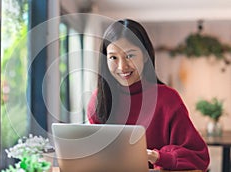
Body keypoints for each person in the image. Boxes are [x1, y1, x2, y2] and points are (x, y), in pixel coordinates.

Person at [87, 19, 210, 171]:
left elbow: (200, 157)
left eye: (130, 56)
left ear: (145, 56)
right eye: (113, 57)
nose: (122, 66)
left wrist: (156, 156)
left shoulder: (167, 99)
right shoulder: (99, 99)